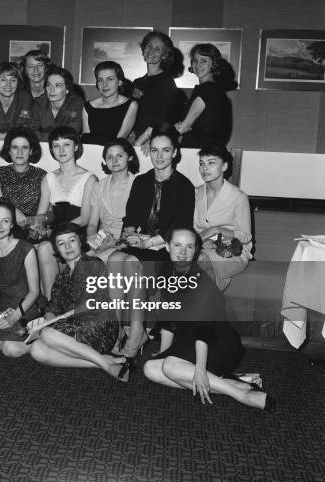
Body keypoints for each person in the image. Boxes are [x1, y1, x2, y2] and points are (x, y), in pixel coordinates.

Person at [143, 227, 275, 412]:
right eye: (177, 245)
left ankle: (240, 394)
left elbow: (203, 330)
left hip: (217, 341)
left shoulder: (200, 281)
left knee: (171, 368)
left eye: (189, 247)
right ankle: (230, 382)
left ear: (196, 250)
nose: (182, 252)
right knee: (151, 369)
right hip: (189, 338)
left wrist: (200, 370)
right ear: (167, 246)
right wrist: (165, 352)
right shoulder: (166, 270)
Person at [107, 123, 195, 359]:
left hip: (164, 250)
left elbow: (179, 229)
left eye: (165, 150)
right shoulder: (142, 181)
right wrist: (129, 232)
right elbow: (131, 218)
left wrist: (146, 242)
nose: (159, 156)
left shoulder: (184, 186)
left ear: (175, 152)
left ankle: (136, 332)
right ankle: (115, 330)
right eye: (154, 150)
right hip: (138, 245)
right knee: (115, 258)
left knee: (132, 264)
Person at [28, 223, 130, 381]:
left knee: (47, 334)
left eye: (72, 240)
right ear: (57, 250)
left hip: (100, 326)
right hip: (73, 327)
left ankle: (107, 365)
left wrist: (58, 320)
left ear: (80, 242)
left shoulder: (92, 264)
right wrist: (48, 317)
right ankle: (103, 362)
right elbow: (53, 305)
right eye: (61, 243)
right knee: (36, 349)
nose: (67, 246)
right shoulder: (63, 276)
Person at [33, 127, 97, 298]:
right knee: (44, 247)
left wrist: (57, 234)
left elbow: (84, 218)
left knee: (49, 246)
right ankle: (50, 306)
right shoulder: (48, 178)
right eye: (56, 146)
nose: (61, 150)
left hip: (77, 232)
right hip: (55, 233)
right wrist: (36, 225)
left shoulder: (89, 178)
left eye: (66, 145)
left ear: (76, 147)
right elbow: (41, 214)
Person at [0, 199, 42, 357]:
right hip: (2, 309)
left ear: (12, 224)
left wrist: (15, 316)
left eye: (5, 221)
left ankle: (39, 337)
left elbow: (34, 292)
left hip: (27, 309)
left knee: (10, 350)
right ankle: (23, 339)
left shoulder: (26, 249)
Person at [193, 146, 251, 290]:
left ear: (224, 166)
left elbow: (245, 236)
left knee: (200, 259)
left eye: (211, 163)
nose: (204, 168)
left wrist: (217, 230)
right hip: (201, 246)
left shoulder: (238, 197)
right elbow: (189, 227)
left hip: (233, 249)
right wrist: (202, 240)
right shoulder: (194, 193)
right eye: (202, 163)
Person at [86, 139, 139, 263]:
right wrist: (93, 238)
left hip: (128, 242)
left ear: (130, 157)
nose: (114, 160)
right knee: (80, 260)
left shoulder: (139, 185)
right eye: (109, 157)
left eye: (119, 156)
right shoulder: (98, 186)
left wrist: (117, 242)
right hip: (103, 241)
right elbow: (92, 224)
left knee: (91, 263)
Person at [133, 31, 185, 154]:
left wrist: (142, 140)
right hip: (135, 141)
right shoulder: (137, 82)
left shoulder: (166, 83)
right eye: (149, 46)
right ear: (143, 49)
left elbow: (161, 118)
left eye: (157, 49)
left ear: (164, 55)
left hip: (150, 145)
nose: (151, 51)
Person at [174, 43, 235, 148]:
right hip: (208, 152)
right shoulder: (215, 90)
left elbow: (183, 127)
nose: (198, 65)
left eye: (204, 61)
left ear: (214, 64)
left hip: (197, 153)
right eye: (195, 60)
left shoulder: (207, 89)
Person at [0, 127, 47, 237]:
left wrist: (34, 221)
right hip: (4, 228)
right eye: (15, 147)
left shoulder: (42, 175)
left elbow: (49, 213)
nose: (20, 152)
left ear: (31, 151)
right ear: (9, 150)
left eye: (25, 147)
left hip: (33, 229)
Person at [81, 61, 138, 145]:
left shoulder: (131, 105)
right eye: (100, 80)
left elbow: (118, 140)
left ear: (119, 82)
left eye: (110, 79)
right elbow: (86, 140)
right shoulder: (88, 106)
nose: (104, 84)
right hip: (91, 153)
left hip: (115, 154)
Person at [29, 66, 83, 140]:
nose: (52, 90)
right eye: (49, 85)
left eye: (57, 85)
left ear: (67, 89)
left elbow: (71, 134)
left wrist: (43, 136)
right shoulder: (40, 102)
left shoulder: (76, 104)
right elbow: (31, 131)